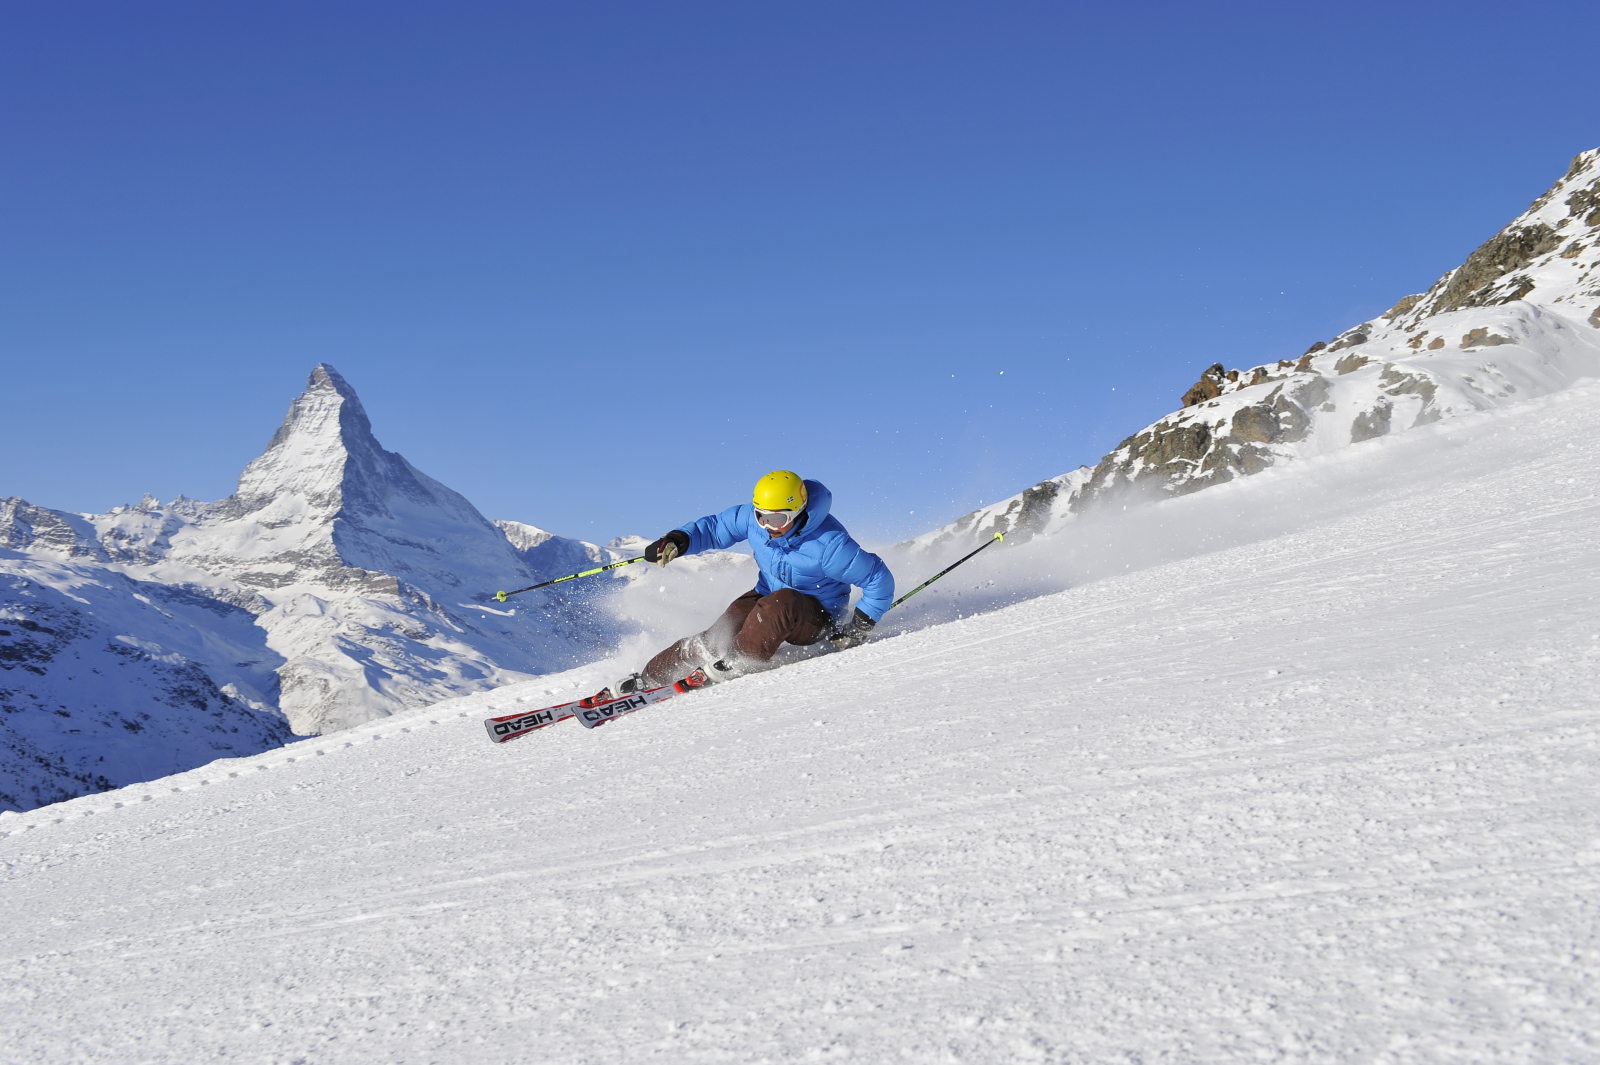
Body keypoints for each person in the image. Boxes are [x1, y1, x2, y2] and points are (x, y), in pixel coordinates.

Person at [587, 470, 894, 703]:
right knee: (720, 632)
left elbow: (879, 579)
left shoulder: (829, 545)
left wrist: (858, 628)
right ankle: (650, 677)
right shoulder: (755, 521)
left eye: (777, 519)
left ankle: (738, 660)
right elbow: (715, 528)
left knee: (781, 604)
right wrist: (678, 541)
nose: (767, 527)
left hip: (815, 617)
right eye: (760, 517)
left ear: (799, 512)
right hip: (768, 597)